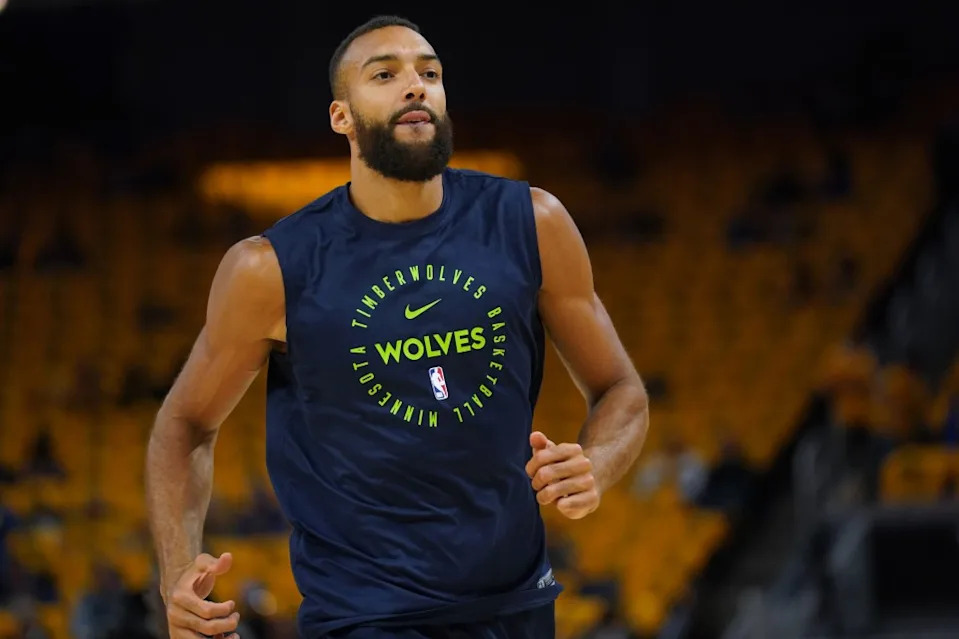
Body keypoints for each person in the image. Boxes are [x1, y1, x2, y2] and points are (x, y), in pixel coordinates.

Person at [145, 14, 650, 639]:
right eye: (384, 75)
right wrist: (173, 574)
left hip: (518, 605)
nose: (415, 86)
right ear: (342, 117)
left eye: (430, 73)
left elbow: (622, 390)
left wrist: (596, 464)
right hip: (368, 616)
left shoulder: (531, 221)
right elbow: (185, 423)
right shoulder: (270, 268)